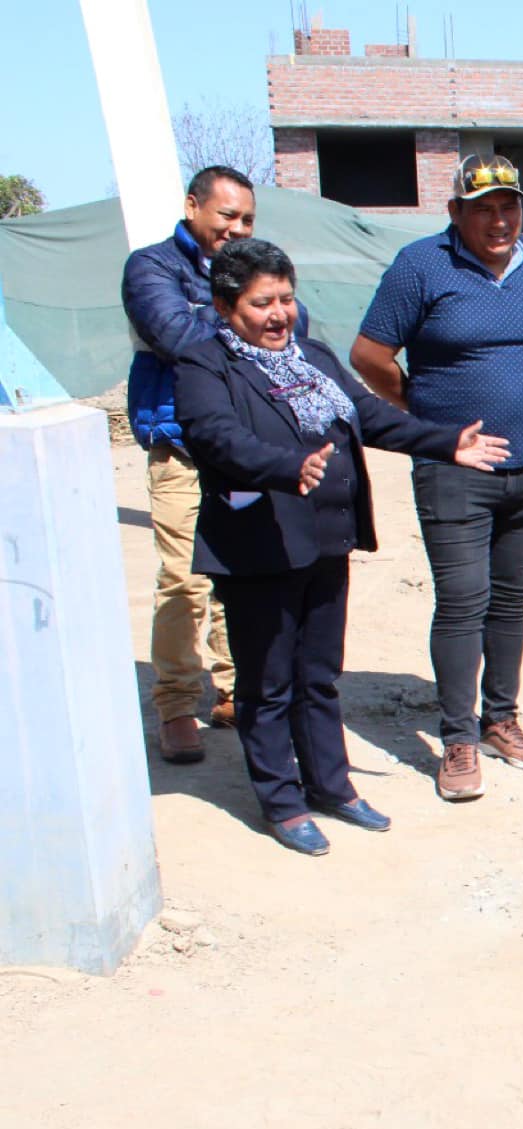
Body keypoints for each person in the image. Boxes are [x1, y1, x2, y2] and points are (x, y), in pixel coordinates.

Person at [175, 239, 509, 854]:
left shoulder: (314, 358)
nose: (278, 314)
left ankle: (331, 784)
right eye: (261, 303)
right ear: (225, 306)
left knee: (319, 675)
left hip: (325, 539)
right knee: (267, 683)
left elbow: (370, 415)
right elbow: (216, 438)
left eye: (285, 299)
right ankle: (281, 800)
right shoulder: (204, 366)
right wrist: (286, 466)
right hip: (258, 548)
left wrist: (444, 443)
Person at [351, 154, 523, 802]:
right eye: (484, 208)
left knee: (510, 599)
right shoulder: (421, 266)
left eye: (509, 205)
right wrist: (430, 423)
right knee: (463, 599)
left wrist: (516, 390)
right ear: (455, 212)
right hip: (454, 472)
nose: (499, 219)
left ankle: (501, 717)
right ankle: (458, 738)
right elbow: (368, 355)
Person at [122, 165, 308, 764]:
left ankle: (234, 689)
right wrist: (245, 319)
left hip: (245, 445)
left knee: (243, 568)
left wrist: (249, 314)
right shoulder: (152, 268)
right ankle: (177, 704)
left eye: (248, 218)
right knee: (185, 577)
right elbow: (177, 335)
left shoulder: (253, 268)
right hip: (180, 445)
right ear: (193, 206)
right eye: (227, 215)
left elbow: (292, 327)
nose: (237, 228)